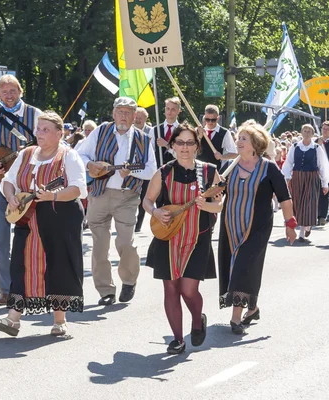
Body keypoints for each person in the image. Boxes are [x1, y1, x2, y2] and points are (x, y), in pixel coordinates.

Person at [0, 111, 87, 337]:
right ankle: (13, 319)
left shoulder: (68, 156)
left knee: (59, 265)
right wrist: (11, 196)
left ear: (59, 133)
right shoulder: (26, 153)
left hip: (60, 217)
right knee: (21, 265)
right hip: (27, 217)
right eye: (38, 129)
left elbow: (78, 189)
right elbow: (7, 181)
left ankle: (59, 320)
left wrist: (53, 196)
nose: (39, 133)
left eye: (45, 130)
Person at [143, 123, 222, 355]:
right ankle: (178, 339)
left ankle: (198, 321)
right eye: (180, 142)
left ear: (197, 146)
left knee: (188, 290)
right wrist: (156, 212)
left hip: (198, 238)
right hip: (168, 238)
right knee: (171, 288)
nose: (184, 147)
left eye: (189, 143)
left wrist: (206, 205)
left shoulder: (209, 172)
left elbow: (219, 205)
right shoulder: (164, 172)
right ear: (172, 145)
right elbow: (147, 200)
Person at [218, 120, 296, 334]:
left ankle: (235, 318)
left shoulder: (268, 168)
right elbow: (217, 195)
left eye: (243, 138)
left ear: (255, 143)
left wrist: (290, 224)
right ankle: (252, 308)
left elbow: (285, 198)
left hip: (257, 228)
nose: (238, 141)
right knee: (233, 266)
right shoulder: (230, 166)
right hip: (230, 226)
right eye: (238, 138)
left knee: (244, 265)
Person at [78, 97, 156, 305]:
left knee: (124, 243)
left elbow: (151, 171)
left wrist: (132, 171)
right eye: (120, 111)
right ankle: (106, 291)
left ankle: (129, 280)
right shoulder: (100, 131)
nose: (123, 115)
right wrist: (91, 166)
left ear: (134, 116)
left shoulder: (143, 138)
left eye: (128, 112)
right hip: (99, 194)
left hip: (127, 196)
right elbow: (79, 155)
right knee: (100, 245)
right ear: (113, 114)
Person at [0, 75, 41, 306]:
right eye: (3, 92)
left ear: (21, 91)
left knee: (33, 235)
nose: (8, 95)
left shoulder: (35, 115)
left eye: (12, 90)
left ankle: (33, 285)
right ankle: (6, 289)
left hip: (30, 183)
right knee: (1, 238)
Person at [281, 124, 329, 242]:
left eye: (309, 131)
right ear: (301, 132)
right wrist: (287, 177)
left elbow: (323, 166)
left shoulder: (317, 148)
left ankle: (303, 231)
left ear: (313, 134)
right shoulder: (295, 146)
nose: (307, 132)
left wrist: (325, 183)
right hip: (297, 177)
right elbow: (288, 163)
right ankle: (304, 226)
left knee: (308, 203)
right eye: (304, 130)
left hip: (311, 177)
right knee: (297, 203)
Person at [197, 104, 238, 169]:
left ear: (218, 118)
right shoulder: (197, 131)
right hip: (199, 170)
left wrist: (222, 157)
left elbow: (234, 154)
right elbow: (192, 151)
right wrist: (199, 137)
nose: (210, 122)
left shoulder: (225, 133)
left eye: (213, 120)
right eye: (207, 119)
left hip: (216, 171)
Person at [134, 107, 153, 233]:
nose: (138, 120)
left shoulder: (151, 131)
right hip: (132, 170)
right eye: (137, 117)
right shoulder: (129, 131)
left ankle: (138, 224)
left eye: (141, 117)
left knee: (143, 197)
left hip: (146, 170)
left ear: (146, 119)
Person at [153, 97, 181, 168]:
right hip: (158, 169)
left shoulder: (182, 130)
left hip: (177, 168)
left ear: (178, 111)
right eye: (167, 108)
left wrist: (167, 145)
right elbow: (150, 152)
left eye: (173, 109)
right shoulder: (155, 130)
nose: (169, 112)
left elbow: (182, 153)